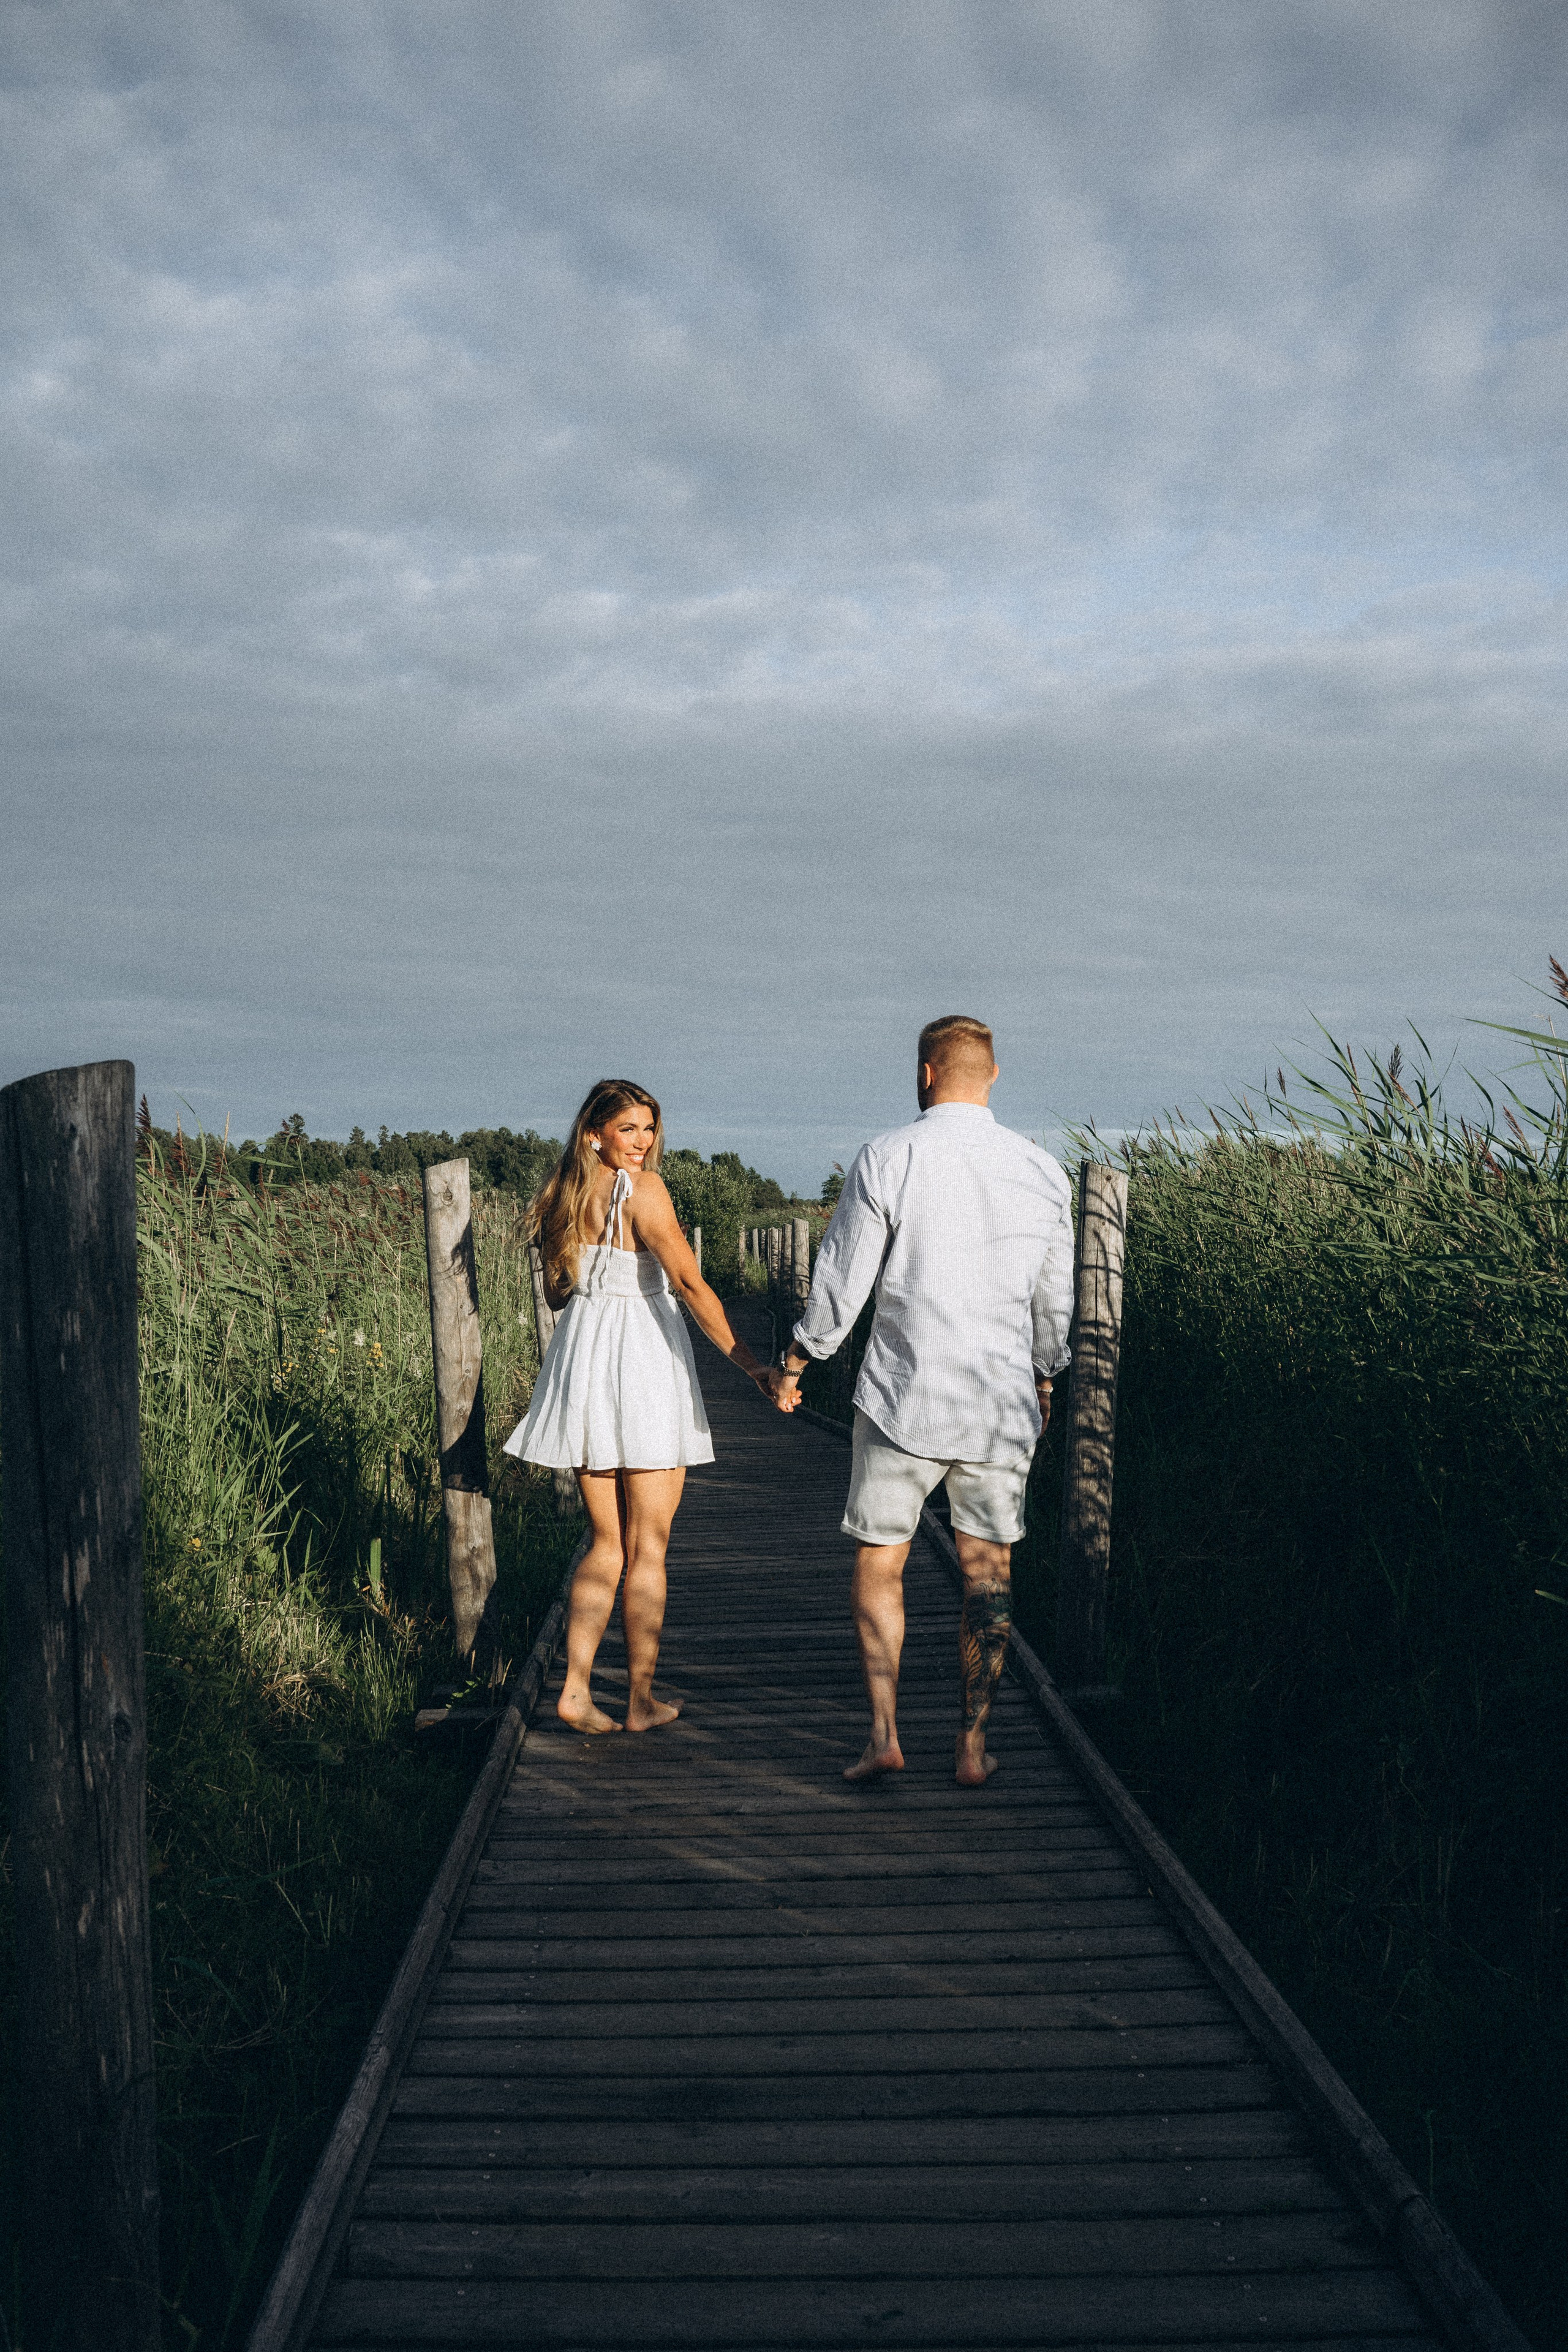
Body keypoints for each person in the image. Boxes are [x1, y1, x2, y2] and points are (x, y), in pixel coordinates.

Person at [765, 1016, 1076, 1785]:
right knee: (988, 1571)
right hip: (997, 1403)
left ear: (926, 1073)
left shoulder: (889, 1157)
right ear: (992, 1075)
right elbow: (1054, 1301)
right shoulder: (1042, 1171)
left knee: (881, 1561)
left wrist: (798, 1362)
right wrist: (1044, 1377)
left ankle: (883, 1735)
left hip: (902, 1399)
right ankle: (971, 1746)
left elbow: (842, 1282)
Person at [505, 1077, 773, 1733]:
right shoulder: (643, 1190)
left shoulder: (562, 1194)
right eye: (628, 1129)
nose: (643, 1142)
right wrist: (752, 1365)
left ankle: (575, 1690)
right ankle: (639, 1701)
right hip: (642, 1360)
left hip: (585, 1358)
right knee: (647, 1547)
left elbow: (558, 1293)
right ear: (594, 1132)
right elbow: (688, 1282)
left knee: (606, 1543)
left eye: (649, 1128)